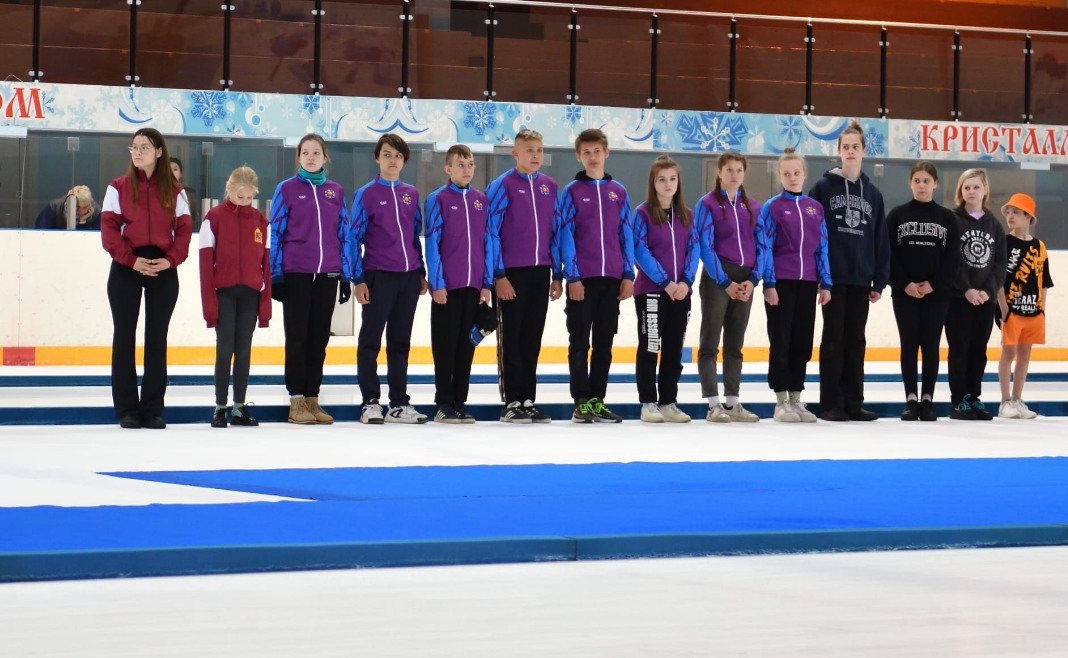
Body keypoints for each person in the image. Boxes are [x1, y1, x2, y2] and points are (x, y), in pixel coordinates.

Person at [100, 128, 192, 429]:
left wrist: (169, 260)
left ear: (159, 152)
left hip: (163, 269)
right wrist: (131, 260)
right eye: (134, 147)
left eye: (144, 147)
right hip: (126, 266)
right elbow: (109, 231)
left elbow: (184, 232)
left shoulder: (176, 191)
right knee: (124, 337)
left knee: (156, 339)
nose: (137, 152)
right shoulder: (117, 188)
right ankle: (127, 409)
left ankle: (152, 409)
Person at [269, 133, 354, 425]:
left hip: (328, 273)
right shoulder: (287, 189)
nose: (311, 157)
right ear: (299, 157)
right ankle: (296, 401)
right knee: (297, 337)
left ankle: (312, 398)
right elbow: (276, 232)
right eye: (305, 152)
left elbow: (344, 234)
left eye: (316, 152)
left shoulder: (335, 192)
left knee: (319, 339)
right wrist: (276, 274)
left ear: (325, 157)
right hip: (296, 273)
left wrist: (345, 275)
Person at [808, 120, 889, 422]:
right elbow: (812, 234)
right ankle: (831, 403)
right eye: (846, 147)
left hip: (861, 279)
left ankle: (854, 402)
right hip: (832, 278)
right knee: (833, 340)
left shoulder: (873, 194)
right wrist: (819, 276)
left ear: (864, 151)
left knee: (856, 341)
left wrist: (879, 280)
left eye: (856, 146)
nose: (851, 151)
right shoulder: (822, 188)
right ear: (839, 151)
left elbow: (880, 239)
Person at [486, 129, 564, 424]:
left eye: (539, 150)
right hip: (511, 274)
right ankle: (511, 402)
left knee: (532, 338)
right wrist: (499, 275)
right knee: (512, 339)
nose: (535, 155)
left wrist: (557, 274)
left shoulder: (549, 186)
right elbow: (491, 232)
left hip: (540, 273)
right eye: (529, 150)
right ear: (515, 153)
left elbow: (555, 232)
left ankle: (528, 400)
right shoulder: (502, 185)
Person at [558, 128, 635, 423]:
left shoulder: (619, 192)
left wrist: (628, 273)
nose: (592, 157)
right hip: (582, 280)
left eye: (597, 151)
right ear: (579, 156)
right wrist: (573, 277)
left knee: (604, 345)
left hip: (612, 280)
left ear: (606, 153)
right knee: (579, 342)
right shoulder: (572, 192)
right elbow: (566, 235)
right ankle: (581, 401)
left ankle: (597, 401)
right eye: (586, 152)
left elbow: (626, 233)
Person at [351, 133, 429, 425]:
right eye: (387, 154)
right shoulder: (366, 194)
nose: (392, 160)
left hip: (408, 278)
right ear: (377, 158)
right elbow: (352, 239)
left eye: (397, 155)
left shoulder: (412, 194)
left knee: (400, 342)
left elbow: (414, 236)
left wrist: (420, 271)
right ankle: (370, 402)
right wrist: (358, 278)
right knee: (370, 342)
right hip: (377, 276)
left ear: (404, 160)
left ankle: (398, 403)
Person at [760, 147, 832, 423]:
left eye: (797, 173)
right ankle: (781, 401)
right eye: (787, 174)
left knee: (802, 342)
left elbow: (822, 247)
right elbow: (765, 246)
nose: (792, 178)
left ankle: (796, 397)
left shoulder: (816, 209)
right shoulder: (773, 207)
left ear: (804, 175)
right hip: (781, 282)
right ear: (780, 176)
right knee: (781, 341)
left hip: (808, 283)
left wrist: (826, 282)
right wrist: (769, 282)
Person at [424, 144, 493, 423]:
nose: (467, 169)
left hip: (474, 288)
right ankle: (443, 403)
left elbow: (488, 243)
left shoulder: (481, 200)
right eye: (460, 164)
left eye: (470, 164)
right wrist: (437, 284)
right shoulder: (438, 199)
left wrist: (486, 283)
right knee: (445, 347)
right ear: (448, 169)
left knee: (467, 347)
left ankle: (460, 402)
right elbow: (433, 243)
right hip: (447, 289)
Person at [886, 162, 959, 422]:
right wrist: (904, 283)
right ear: (910, 183)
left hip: (936, 295)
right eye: (917, 180)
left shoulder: (947, 218)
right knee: (909, 345)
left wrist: (934, 284)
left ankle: (927, 399)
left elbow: (953, 259)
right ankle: (910, 399)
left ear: (935, 184)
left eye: (926, 181)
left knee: (930, 346)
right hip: (904, 293)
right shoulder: (897, 215)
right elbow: (888, 254)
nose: (921, 185)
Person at [694, 151, 763, 423]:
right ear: (719, 172)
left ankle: (733, 402)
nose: (734, 175)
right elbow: (705, 244)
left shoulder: (753, 206)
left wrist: (753, 280)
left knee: (735, 343)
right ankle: (713, 404)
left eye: (739, 170)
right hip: (718, 278)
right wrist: (724, 281)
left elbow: (762, 245)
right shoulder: (707, 204)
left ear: (744, 174)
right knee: (710, 341)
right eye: (729, 170)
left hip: (745, 280)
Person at [200, 166, 272, 428]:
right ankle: (220, 407)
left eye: (249, 198)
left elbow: (267, 266)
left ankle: (239, 407)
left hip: (250, 296)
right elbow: (205, 267)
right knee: (224, 349)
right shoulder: (214, 219)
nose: (244, 202)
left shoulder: (261, 222)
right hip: (225, 295)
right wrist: (210, 306)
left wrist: (265, 308)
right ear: (229, 189)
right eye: (240, 196)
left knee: (243, 351)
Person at [632, 155, 698, 423]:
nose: (668, 184)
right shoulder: (642, 214)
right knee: (650, 346)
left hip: (681, 293)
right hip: (652, 291)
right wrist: (666, 282)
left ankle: (669, 401)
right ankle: (648, 402)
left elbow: (694, 249)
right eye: (662, 179)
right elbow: (640, 250)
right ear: (653, 182)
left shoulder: (687, 215)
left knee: (673, 349)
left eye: (672, 178)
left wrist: (686, 282)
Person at [947, 168, 1006, 421]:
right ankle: (959, 400)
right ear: (961, 191)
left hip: (985, 300)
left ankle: (973, 397)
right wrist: (967, 289)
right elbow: (950, 260)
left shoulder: (994, 225)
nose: (971, 191)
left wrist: (986, 291)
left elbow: (1000, 264)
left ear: (985, 190)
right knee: (959, 349)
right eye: (967, 187)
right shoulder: (952, 220)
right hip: (958, 299)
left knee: (978, 351)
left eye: (976, 187)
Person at [997, 193, 1053, 419]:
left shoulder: (1040, 246)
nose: (1010, 216)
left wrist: (1042, 310)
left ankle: (1018, 398)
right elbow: (998, 279)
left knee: (1025, 354)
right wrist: (1003, 309)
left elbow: (1044, 281)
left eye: (1016, 212)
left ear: (1029, 216)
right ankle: (1005, 401)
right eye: (1009, 212)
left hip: (1033, 310)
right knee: (1008, 352)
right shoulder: (1003, 242)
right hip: (1010, 309)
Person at [35, 186, 101, 230]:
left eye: (89, 204)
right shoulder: (55, 207)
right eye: (85, 207)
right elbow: (41, 231)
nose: (90, 208)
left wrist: (82, 222)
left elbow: (96, 238)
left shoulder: (97, 212)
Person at [170, 157, 200, 230]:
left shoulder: (189, 193)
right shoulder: (157, 192)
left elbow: (193, 218)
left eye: (175, 169)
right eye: (168, 169)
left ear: (181, 174)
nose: (171, 172)